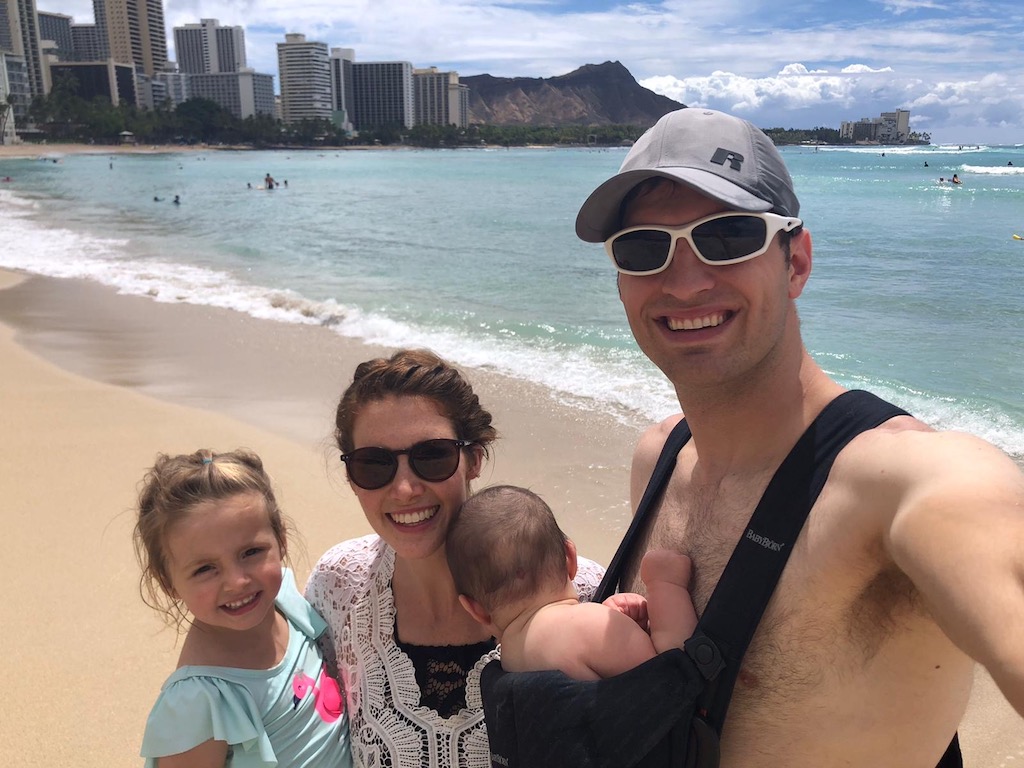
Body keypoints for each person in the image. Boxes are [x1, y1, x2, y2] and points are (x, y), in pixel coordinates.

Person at [574, 107, 1024, 767]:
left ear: (797, 263)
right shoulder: (659, 459)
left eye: (727, 237)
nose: (685, 280)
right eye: (644, 248)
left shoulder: (908, 485)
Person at [304, 349, 605, 768]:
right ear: (352, 478)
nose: (405, 489)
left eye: (432, 455)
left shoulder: (582, 593)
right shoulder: (338, 587)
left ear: (474, 460)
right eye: (374, 464)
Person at [134, 448, 353, 768]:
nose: (237, 581)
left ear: (281, 540)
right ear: (168, 583)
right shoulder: (200, 700)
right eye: (205, 569)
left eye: (251, 552)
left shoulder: (287, 605)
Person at [447, 484, 696, 679]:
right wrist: (666, 585)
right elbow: (663, 678)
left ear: (474, 609)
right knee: (678, 664)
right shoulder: (590, 626)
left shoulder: (511, 658)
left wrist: (615, 620)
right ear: (571, 559)